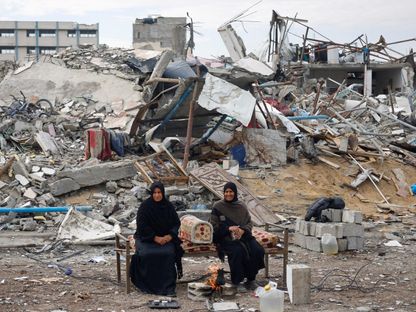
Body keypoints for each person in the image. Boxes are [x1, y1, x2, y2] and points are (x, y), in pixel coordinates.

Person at [130, 181, 183, 296]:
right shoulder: (145, 207)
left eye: (159, 192)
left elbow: (176, 223)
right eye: (154, 193)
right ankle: (149, 285)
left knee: (168, 254)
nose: (157, 195)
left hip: (166, 238)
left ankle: (168, 287)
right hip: (147, 239)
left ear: (163, 193)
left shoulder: (168, 206)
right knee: (146, 254)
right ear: (151, 194)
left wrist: (169, 236)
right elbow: (142, 225)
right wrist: (154, 238)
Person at [210, 182, 265, 291]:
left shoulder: (241, 206)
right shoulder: (218, 206)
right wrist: (228, 229)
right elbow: (213, 226)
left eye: (231, 192)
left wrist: (242, 230)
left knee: (257, 249)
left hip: (243, 236)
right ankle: (237, 281)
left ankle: (251, 279)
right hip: (225, 238)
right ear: (223, 193)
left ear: (235, 193)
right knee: (237, 251)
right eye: (226, 192)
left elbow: (249, 223)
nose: (228, 194)